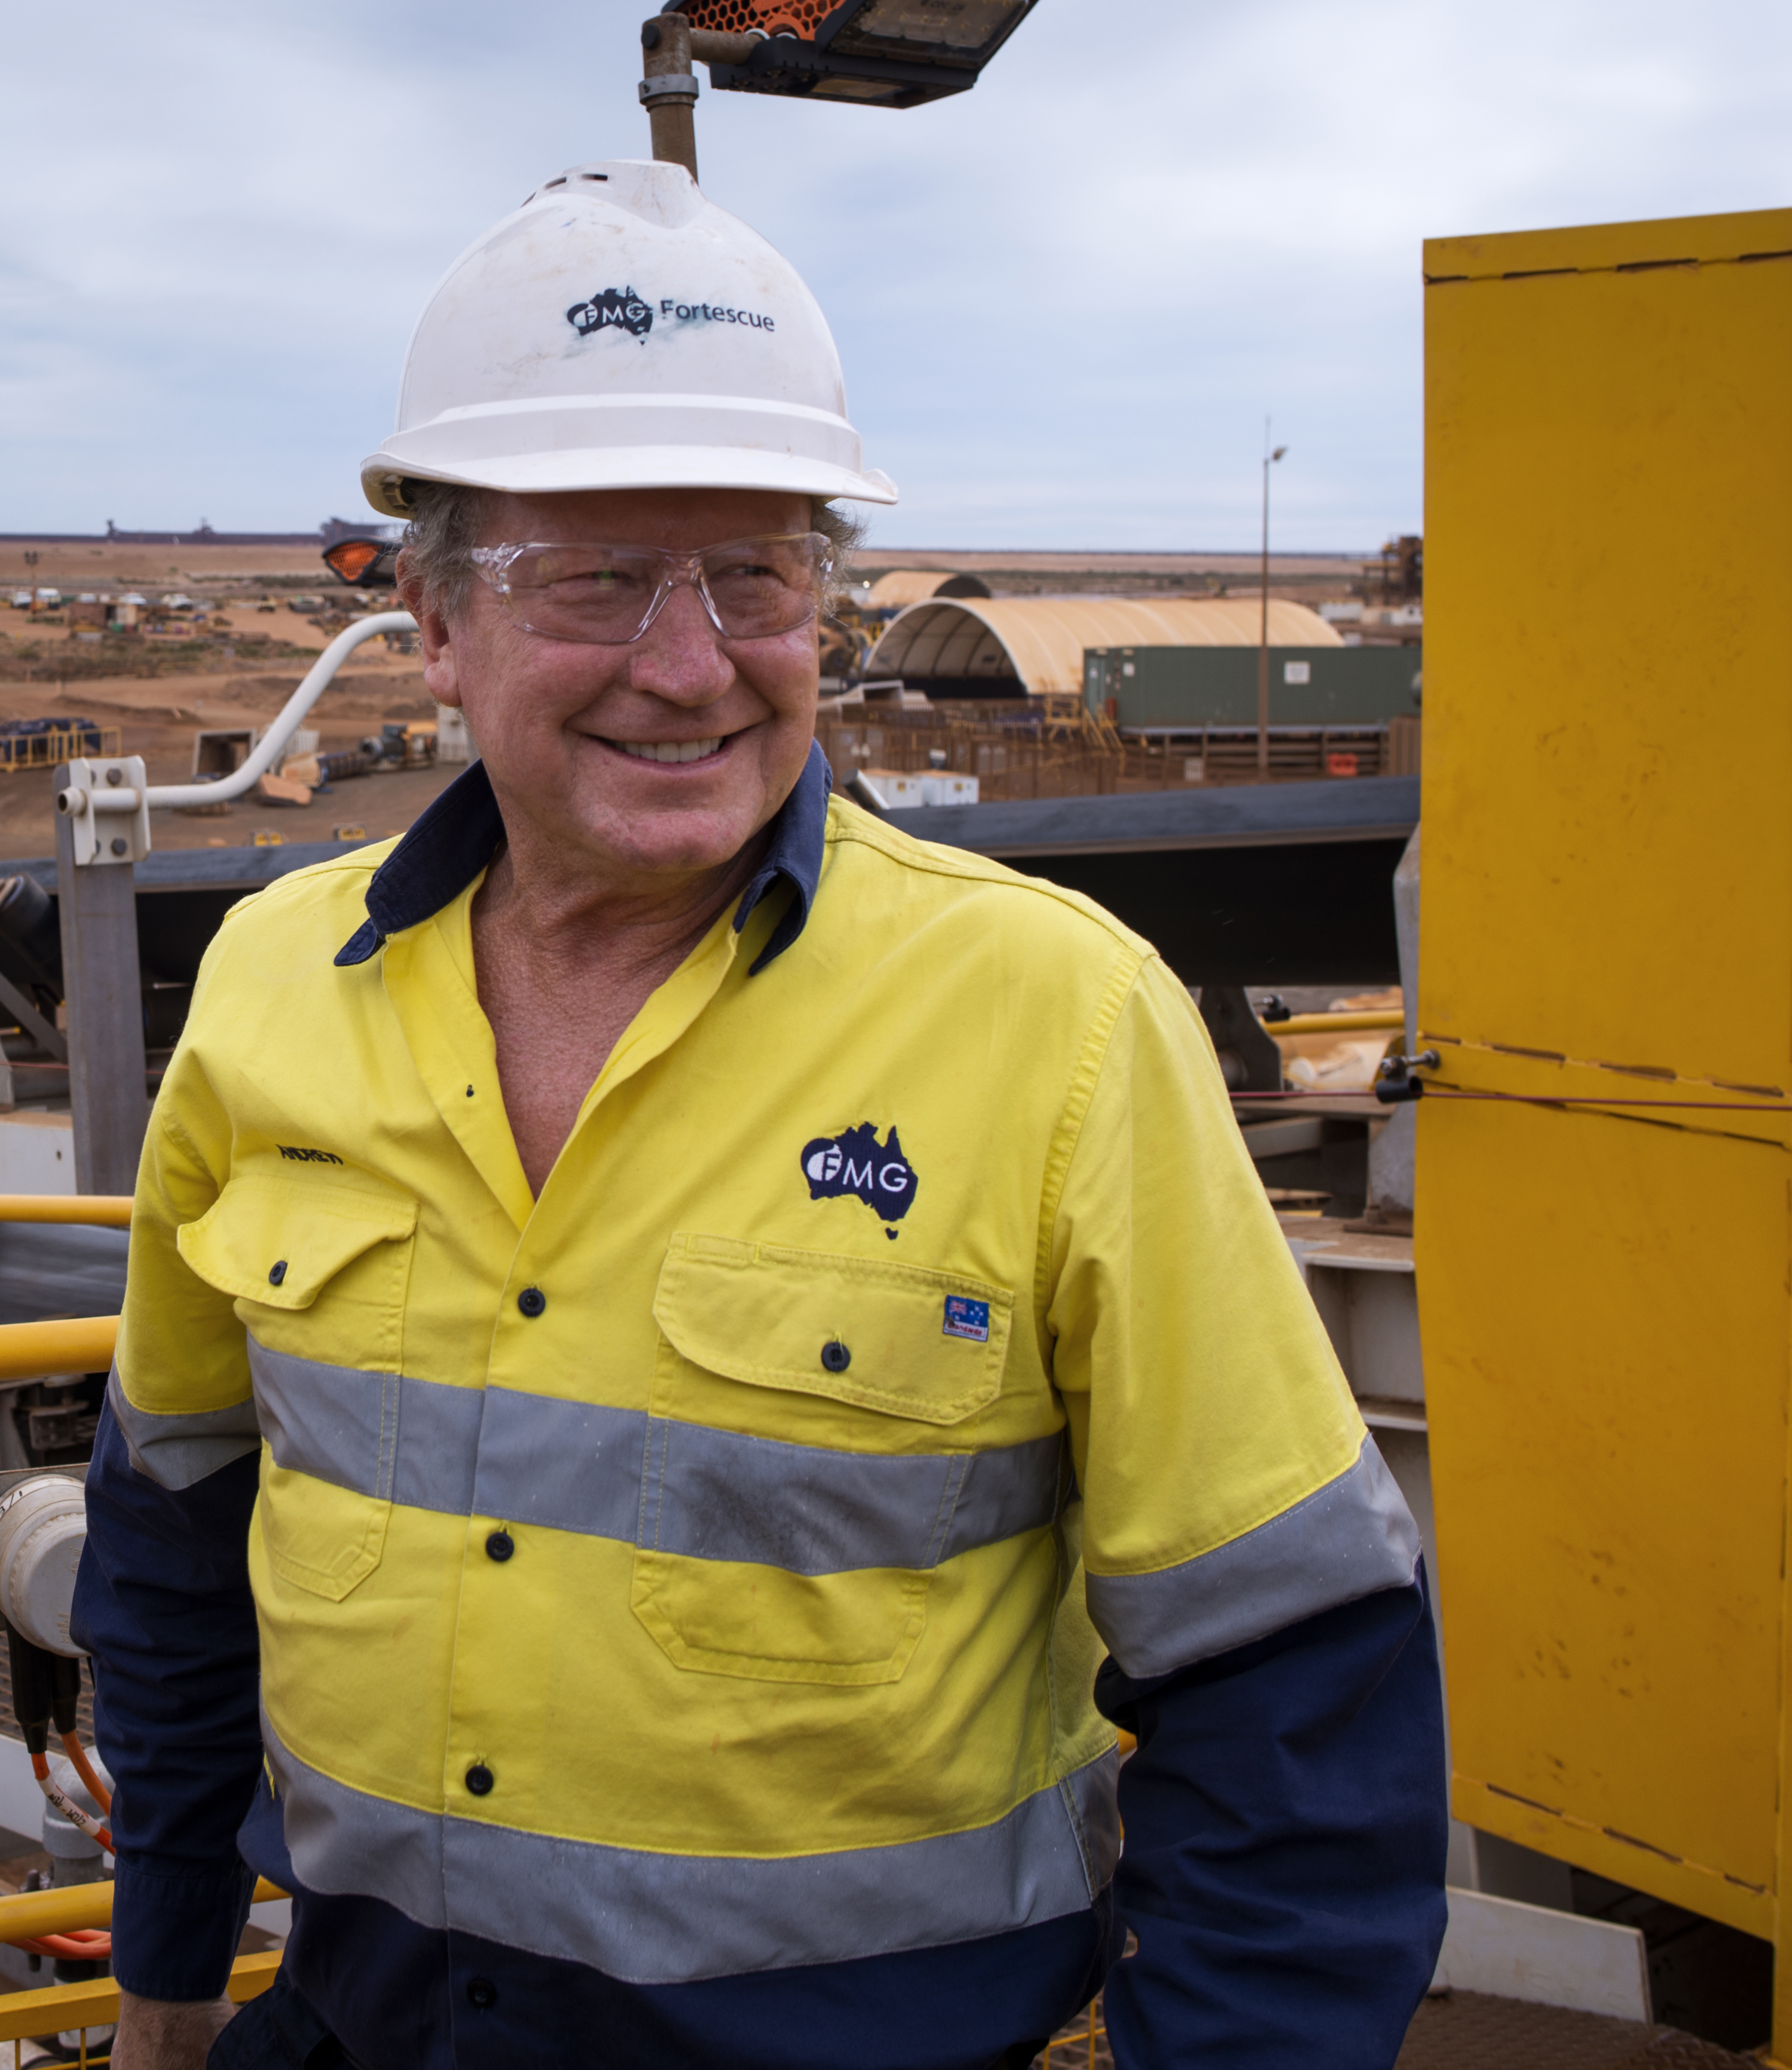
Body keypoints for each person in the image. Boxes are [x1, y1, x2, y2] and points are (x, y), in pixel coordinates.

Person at [76, 158, 1444, 2070]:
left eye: (756, 574)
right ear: (435, 624)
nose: (689, 659)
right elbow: (174, 1521)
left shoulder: (1049, 1018)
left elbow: (1298, 1680)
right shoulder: (272, 987)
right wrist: (162, 1980)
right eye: (598, 579)